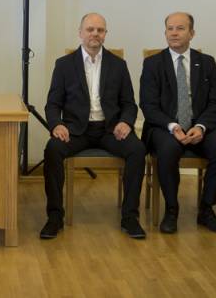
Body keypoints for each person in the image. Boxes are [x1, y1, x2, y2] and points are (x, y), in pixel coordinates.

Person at [40, 13, 147, 240]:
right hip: (76, 131)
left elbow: (129, 103)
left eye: (100, 30)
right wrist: (57, 125)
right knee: (52, 149)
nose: (95, 34)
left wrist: (125, 122)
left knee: (137, 150)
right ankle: (55, 217)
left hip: (110, 130)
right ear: (80, 33)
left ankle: (130, 217)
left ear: (105, 34)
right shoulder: (64, 65)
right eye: (90, 29)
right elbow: (53, 104)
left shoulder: (118, 65)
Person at [140, 13, 216, 234]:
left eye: (180, 28)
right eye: (170, 28)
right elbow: (148, 105)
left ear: (192, 33)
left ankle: (206, 209)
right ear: (165, 33)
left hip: (200, 125)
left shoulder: (206, 62)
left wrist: (200, 127)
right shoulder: (153, 63)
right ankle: (172, 209)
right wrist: (173, 127)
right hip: (164, 127)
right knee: (168, 150)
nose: (174, 33)